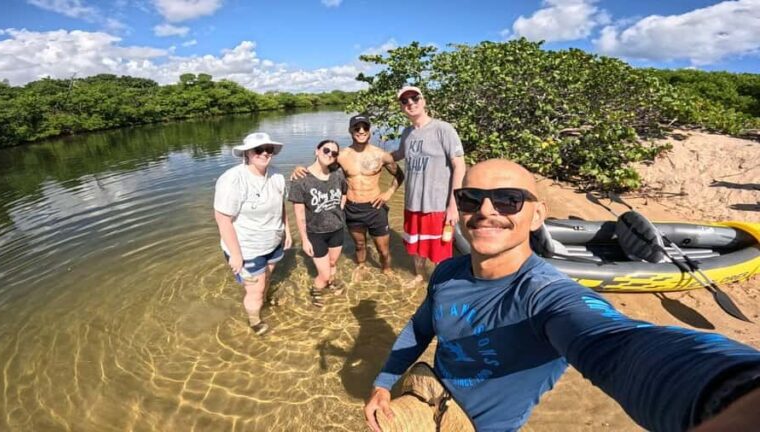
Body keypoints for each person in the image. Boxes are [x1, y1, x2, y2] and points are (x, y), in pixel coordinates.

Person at [364, 159, 760, 432]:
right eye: (471, 199)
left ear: (537, 215)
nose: (486, 210)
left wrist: (731, 390)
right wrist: (383, 382)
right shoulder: (449, 271)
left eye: (508, 199)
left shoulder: (546, 294)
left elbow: (617, 345)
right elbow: (419, 329)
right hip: (430, 393)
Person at [293, 114, 404, 276]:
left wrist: (388, 193)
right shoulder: (342, 156)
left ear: (369, 131)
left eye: (364, 127)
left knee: (383, 249)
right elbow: (321, 169)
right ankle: (361, 266)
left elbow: (400, 176)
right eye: (356, 128)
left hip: (375, 208)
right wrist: (299, 169)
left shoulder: (381, 155)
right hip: (352, 208)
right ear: (350, 131)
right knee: (359, 245)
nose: (361, 131)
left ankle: (386, 269)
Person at [214, 132, 292, 336]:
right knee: (255, 290)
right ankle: (255, 321)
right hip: (247, 248)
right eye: (259, 149)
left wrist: (287, 231)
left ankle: (263, 301)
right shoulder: (233, 179)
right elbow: (223, 219)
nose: (265, 153)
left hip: (273, 242)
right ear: (247, 153)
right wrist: (236, 255)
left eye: (269, 149)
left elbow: (280, 206)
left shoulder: (276, 175)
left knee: (266, 277)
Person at [391, 86, 466, 284]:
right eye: (405, 101)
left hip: (438, 205)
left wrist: (453, 205)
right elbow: (399, 154)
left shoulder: (443, 129)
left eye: (415, 98)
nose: (410, 103)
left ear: (423, 101)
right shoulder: (407, 132)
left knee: (440, 251)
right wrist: (369, 156)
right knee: (415, 247)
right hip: (412, 204)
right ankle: (419, 275)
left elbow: (459, 166)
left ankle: (442, 285)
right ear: (401, 108)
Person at [288, 139, 348, 307]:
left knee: (332, 263)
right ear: (317, 151)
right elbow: (299, 214)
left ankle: (329, 282)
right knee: (324, 274)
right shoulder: (300, 179)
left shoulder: (337, 174)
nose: (330, 154)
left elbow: (344, 192)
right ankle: (316, 289)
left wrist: (340, 208)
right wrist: (304, 239)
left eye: (334, 153)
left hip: (337, 229)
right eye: (326, 150)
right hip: (316, 234)